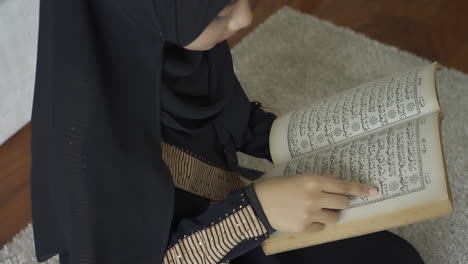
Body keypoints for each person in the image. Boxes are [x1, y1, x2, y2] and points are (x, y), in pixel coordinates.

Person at [30, 0, 425, 263]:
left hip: (225, 206)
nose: (244, 19)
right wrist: (257, 212)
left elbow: (231, 119)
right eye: (219, 11)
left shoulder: (177, 42)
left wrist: (311, 136)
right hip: (197, 242)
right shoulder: (82, 149)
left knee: (393, 257)